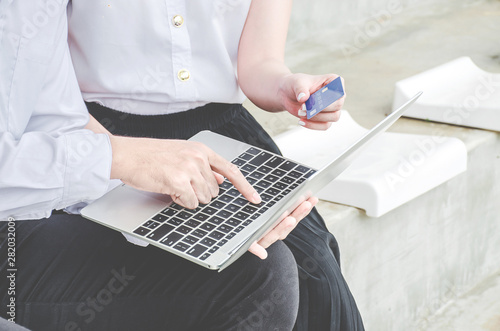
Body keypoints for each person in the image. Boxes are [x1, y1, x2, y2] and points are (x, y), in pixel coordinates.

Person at [0, 0, 364, 330]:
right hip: (108, 131)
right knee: (258, 275)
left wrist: (286, 85)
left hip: (209, 136)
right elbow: (61, 122)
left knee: (314, 270)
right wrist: (122, 165)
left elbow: (55, 115)